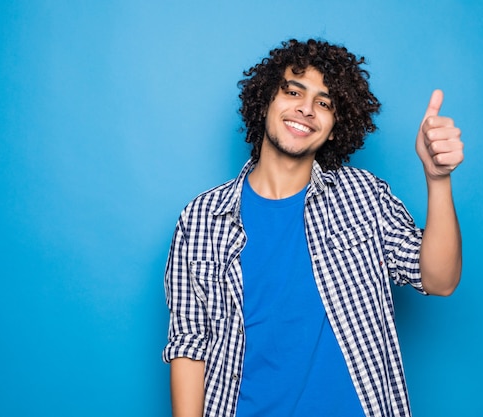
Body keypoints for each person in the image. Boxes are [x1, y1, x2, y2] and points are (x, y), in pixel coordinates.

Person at [162, 38, 463, 417]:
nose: (306, 109)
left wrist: (437, 179)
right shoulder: (203, 219)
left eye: (324, 103)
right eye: (293, 92)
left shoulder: (363, 195)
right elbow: (190, 345)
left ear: (336, 127)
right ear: (266, 102)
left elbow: (440, 280)